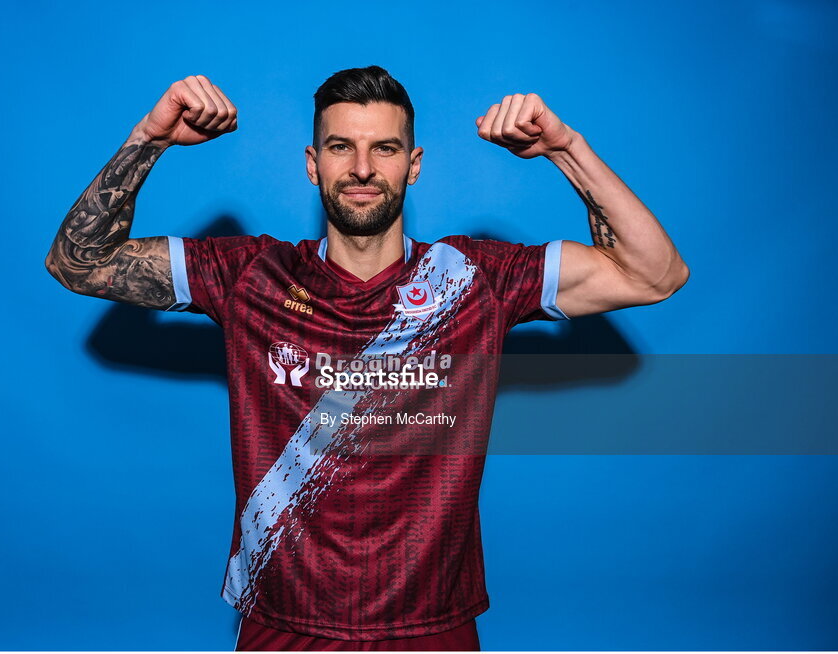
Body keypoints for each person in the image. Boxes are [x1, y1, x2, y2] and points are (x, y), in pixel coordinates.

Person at [45, 66, 689, 651]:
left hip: (432, 626)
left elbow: (653, 274)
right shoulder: (253, 275)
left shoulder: (471, 278)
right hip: (283, 622)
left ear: (413, 164)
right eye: (339, 147)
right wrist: (151, 136)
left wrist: (565, 149)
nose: (361, 167)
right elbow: (78, 261)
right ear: (311, 164)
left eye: (383, 148)